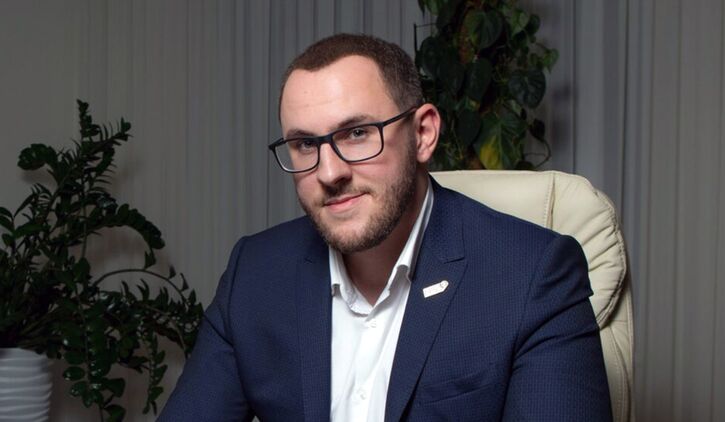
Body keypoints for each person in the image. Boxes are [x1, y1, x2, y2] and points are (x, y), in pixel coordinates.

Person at [159, 33, 611, 421]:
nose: (329, 172)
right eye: (305, 144)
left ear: (424, 133)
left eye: (357, 133)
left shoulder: (534, 275)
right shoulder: (255, 273)